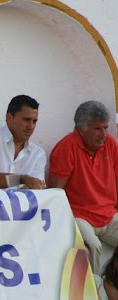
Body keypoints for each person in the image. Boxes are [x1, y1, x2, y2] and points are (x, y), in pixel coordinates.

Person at [49, 101, 118, 273]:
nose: (104, 134)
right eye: (97, 129)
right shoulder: (66, 147)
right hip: (79, 215)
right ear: (81, 128)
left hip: (108, 214)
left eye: (105, 127)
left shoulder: (110, 143)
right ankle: (94, 289)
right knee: (92, 247)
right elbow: (56, 191)